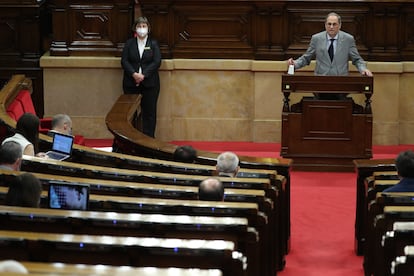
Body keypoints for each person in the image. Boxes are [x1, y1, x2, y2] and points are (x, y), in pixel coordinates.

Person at [287, 12, 373, 100]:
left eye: (334, 24)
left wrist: (363, 69)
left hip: (341, 84)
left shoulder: (348, 39)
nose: (331, 27)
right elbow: (306, 58)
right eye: (329, 24)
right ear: (325, 25)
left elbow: (357, 59)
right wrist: (295, 64)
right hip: (320, 83)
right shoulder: (316, 39)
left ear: (339, 25)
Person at [121, 16, 162, 138]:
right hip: (131, 83)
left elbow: (157, 61)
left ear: (148, 28)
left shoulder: (153, 43)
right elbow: (124, 61)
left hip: (150, 84)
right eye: (139, 26)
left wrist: (143, 75)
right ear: (135, 28)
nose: (141, 29)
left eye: (144, 26)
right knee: (130, 113)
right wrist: (134, 74)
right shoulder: (129, 43)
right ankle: (130, 138)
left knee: (149, 113)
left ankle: (148, 140)